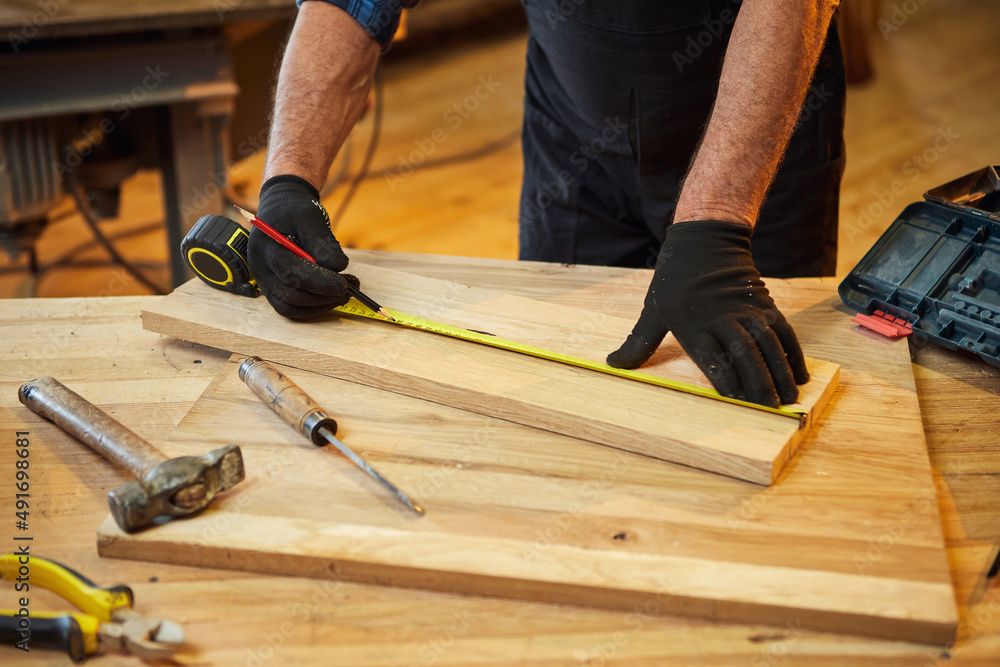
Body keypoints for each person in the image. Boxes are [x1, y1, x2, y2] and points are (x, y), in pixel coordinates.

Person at [248, 0, 845, 408]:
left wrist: (715, 222)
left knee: (759, 401)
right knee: (564, 391)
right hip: (576, 147)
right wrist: (288, 181)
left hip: (755, 158)